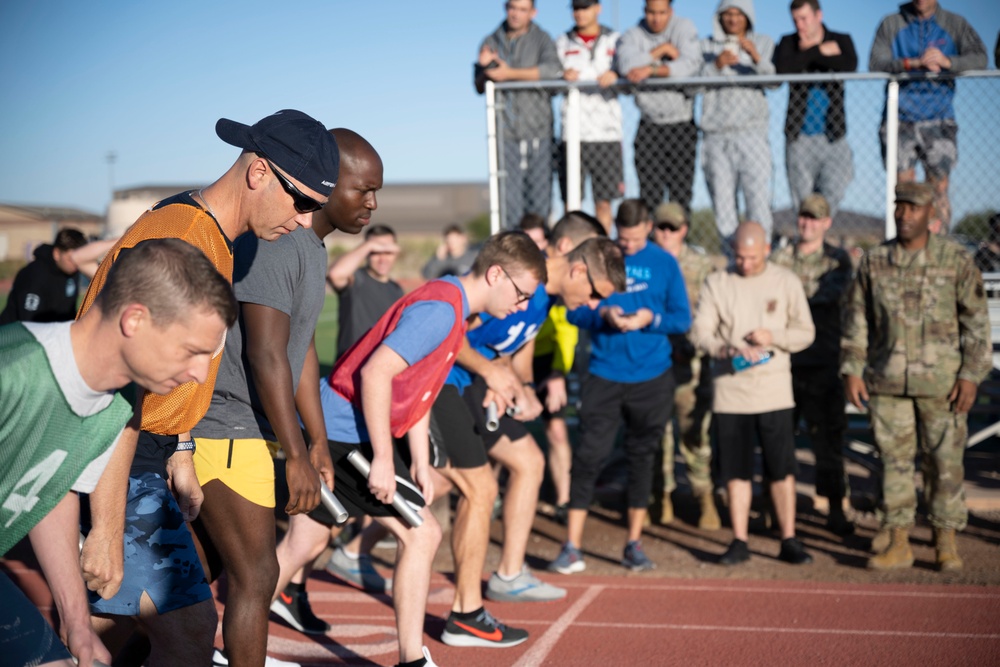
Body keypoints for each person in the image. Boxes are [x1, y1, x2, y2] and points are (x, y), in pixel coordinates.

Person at [77, 109, 339, 665]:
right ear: (259, 172)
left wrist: (184, 448)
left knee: (107, 628)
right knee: (188, 629)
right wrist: (106, 522)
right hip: (116, 449)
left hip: (149, 451)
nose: (302, 221)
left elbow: (176, 376)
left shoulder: (216, 238)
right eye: (302, 201)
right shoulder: (184, 239)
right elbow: (119, 384)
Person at [275, 231, 547, 667]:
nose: (521, 307)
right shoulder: (441, 310)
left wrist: (419, 459)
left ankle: (228, 638)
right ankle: (410, 659)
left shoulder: (455, 311)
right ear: (496, 274)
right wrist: (384, 458)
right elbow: (377, 374)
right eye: (521, 295)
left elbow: (418, 390)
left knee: (301, 545)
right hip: (346, 430)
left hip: (344, 426)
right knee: (423, 533)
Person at [190, 128, 382, 666]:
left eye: (377, 191)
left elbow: (299, 354)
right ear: (326, 184)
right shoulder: (277, 243)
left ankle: (91, 650)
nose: (371, 202)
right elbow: (266, 353)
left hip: (245, 428)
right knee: (258, 574)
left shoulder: (310, 247)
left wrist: (316, 442)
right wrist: (295, 454)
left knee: (193, 576)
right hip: (224, 424)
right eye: (362, 189)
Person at [0, 239, 236, 667]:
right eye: (192, 352)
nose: (200, 374)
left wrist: (77, 622)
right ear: (135, 319)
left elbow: (52, 493)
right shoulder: (13, 373)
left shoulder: (121, 399)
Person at [431, 231, 624, 649]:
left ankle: (506, 576)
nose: (593, 305)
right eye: (593, 293)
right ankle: (461, 610)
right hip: (443, 384)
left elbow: (507, 354)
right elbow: (447, 329)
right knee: (463, 487)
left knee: (526, 462)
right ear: (576, 269)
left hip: (472, 386)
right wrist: (491, 375)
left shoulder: (543, 301)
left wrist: (516, 387)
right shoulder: (523, 289)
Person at [841, 182, 992, 571]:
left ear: (931, 214)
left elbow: (976, 324)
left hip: (942, 386)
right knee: (894, 463)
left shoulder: (955, 260)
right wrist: (852, 371)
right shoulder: (875, 263)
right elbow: (856, 323)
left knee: (944, 463)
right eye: (900, 207)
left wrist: (972, 375)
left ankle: (945, 542)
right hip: (887, 382)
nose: (905, 214)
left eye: (914, 208)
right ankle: (899, 542)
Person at [551, 199, 691, 574]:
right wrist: (604, 313)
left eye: (632, 238)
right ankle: (572, 546)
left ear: (647, 227)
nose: (626, 245)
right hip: (604, 374)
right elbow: (573, 307)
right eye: (622, 239)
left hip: (652, 377)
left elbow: (681, 318)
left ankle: (633, 543)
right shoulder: (602, 254)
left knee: (642, 457)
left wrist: (650, 317)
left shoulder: (665, 262)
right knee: (589, 456)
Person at [691, 221, 816, 566]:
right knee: (736, 470)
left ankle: (788, 538)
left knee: (782, 468)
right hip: (731, 392)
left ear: (765, 250)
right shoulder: (718, 282)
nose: (744, 263)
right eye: (738, 256)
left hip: (774, 392)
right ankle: (740, 539)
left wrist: (772, 335)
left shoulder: (785, 281)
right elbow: (701, 331)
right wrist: (726, 350)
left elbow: (806, 332)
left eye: (751, 257)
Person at [771, 194, 855, 536]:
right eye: (803, 216)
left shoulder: (838, 261)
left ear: (826, 223)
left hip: (823, 364)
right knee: (778, 440)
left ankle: (835, 506)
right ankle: (775, 509)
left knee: (828, 441)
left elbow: (825, 297)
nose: (807, 223)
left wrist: (790, 298)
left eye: (814, 218)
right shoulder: (781, 256)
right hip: (782, 364)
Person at [869, 0, 987, 230]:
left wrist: (948, 61)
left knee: (938, 187)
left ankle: (939, 245)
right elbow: (876, 63)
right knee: (904, 190)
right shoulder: (892, 23)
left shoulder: (954, 24)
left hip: (939, 117)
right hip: (899, 117)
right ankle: (905, 245)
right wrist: (913, 63)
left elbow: (980, 58)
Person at [648, 202, 720, 530]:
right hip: (655, 362)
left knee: (695, 432)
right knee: (658, 434)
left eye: (672, 228)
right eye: (661, 227)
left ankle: (703, 495)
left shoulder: (701, 265)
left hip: (692, 365)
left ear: (684, 230)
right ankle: (661, 495)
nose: (666, 234)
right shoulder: (646, 263)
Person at [533, 211, 607, 524]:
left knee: (554, 433)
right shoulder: (528, 278)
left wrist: (557, 373)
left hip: (546, 360)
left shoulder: (563, 288)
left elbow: (564, 328)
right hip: (500, 365)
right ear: (565, 245)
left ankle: (564, 500)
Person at [476, 0, 560, 229]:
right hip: (505, 132)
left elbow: (553, 71)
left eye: (522, 9)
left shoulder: (543, 39)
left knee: (539, 200)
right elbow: (478, 86)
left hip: (538, 130)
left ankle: (538, 250)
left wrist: (509, 73)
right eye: (512, 7)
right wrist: (485, 69)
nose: (516, 14)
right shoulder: (490, 40)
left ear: (533, 12)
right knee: (509, 202)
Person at [699, 0, 776, 242]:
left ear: (748, 17)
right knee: (723, 206)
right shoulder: (706, 46)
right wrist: (715, 66)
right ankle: (732, 259)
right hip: (715, 135)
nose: (733, 19)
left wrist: (755, 57)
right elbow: (693, 87)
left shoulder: (763, 43)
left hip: (751, 133)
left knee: (758, 201)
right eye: (727, 14)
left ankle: (761, 255)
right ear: (719, 17)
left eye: (738, 14)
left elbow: (774, 82)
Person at [773, 0, 858, 218]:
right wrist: (820, 52)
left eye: (804, 18)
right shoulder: (787, 42)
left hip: (834, 134)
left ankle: (821, 243)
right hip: (798, 136)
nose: (799, 25)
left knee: (832, 195)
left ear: (818, 15)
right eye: (795, 20)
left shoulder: (841, 39)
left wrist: (808, 53)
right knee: (801, 202)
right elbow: (783, 68)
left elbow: (850, 64)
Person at [616, 0, 701, 217]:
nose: (656, 18)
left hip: (681, 125)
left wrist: (650, 71)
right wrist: (660, 51)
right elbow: (625, 65)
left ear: (670, 11)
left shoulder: (684, 28)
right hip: (649, 125)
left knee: (680, 195)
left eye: (662, 13)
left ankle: (678, 246)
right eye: (651, 12)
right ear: (645, 11)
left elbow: (691, 66)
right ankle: (651, 245)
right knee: (649, 195)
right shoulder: (633, 34)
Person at [555, 0, 624, 232]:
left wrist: (616, 74)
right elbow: (552, 78)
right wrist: (560, 75)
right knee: (571, 204)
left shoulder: (615, 39)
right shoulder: (562, 42)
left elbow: (628, 72)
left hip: (607, 133)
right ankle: (572, 253)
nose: (580, 13)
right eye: (576, 7)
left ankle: (602, 252)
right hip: (572, 134)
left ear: (598, 8)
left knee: (603, 203)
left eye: (585, 7)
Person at [0, 228, 117, 325]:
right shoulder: (34, 274)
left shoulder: (72, 272)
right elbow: (28, 321)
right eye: (70, 258)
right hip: (16, 341)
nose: (75, 263)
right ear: (57, 254)